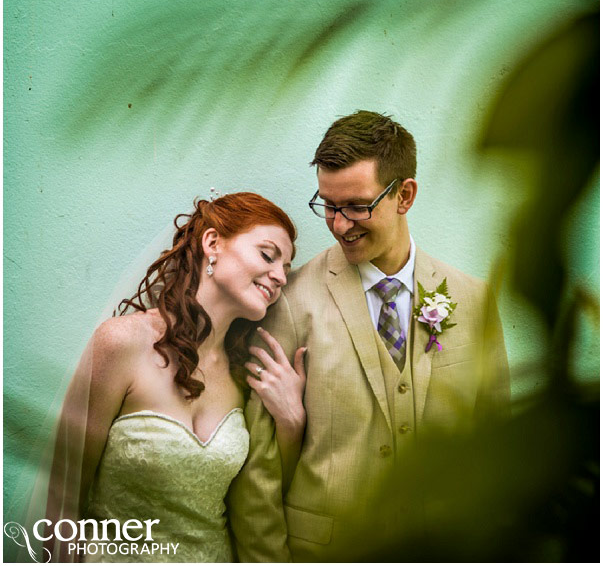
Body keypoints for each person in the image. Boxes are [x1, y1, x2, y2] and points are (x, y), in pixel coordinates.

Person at [228, 110, 510, 562]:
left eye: (357, 206)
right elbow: (257, 473)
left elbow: (498, 454)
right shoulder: (289, 302)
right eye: (328, 205)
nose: (340, 224)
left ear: (405, 195)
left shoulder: (473, 302)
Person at [44, 192, 307, 563]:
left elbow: (268, 493)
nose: (280, 277)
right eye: (268, 255)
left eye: (287, 268)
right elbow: (62, 496)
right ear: (212, 243)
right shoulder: (122, 343)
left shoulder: (244, 374)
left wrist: (291, 421)